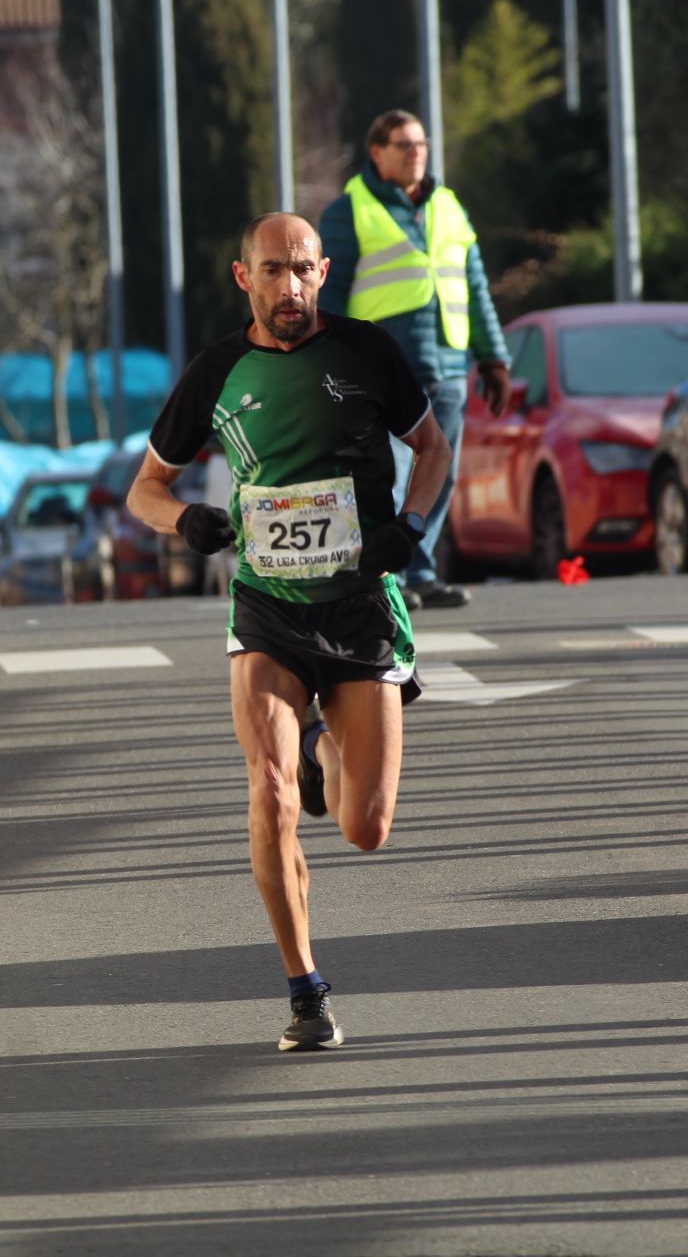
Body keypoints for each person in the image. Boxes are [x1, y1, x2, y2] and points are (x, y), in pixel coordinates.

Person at [128, 212, 452, 1052]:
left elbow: (433, 448)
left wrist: (409, 528)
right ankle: (305, 990)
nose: (290, 288)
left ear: (324, 271)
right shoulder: (217, 371)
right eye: (273, 271)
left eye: (303, 270)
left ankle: (322, 754)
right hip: (267, 605)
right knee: (268, 791)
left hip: (361, 603)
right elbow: (145, 489)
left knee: (364, 827)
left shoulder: (367, 350)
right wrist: (186, 522)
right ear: (245, 279)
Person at [318, 108, 511, 610]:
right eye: (404, 145)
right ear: (377, 153)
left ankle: (419, 570)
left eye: (421, 143)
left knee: (438, 473)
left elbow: (474, 287)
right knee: (392, 475)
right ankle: (387, 576)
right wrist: (326, 360)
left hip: (448, 363)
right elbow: (329, 293)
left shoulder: (447, 205)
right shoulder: (350, 210)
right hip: (383, 370)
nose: (416, 152)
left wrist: (493, 359)